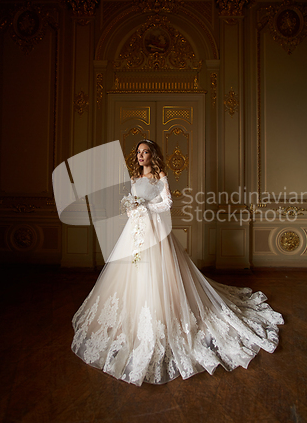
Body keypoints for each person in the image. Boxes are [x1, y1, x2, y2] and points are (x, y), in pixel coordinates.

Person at [71, 140, 284, 386]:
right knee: (130, 274)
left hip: (156, 232)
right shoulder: (135, 175)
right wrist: (132, 208)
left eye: (145, 152)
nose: (141, 156)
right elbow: (131, 201)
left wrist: (145, 206)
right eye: (138, 152)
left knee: (161, 272)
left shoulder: (160, 175)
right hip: (136, 231)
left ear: (153, 155)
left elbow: (167, 203)